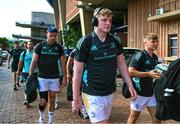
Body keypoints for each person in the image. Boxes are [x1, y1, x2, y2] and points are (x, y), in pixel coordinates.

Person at [72, 8, 137, 123]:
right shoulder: (85, 42)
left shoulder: (115, 41)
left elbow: (121, 63)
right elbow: (77, 72)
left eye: (110, 20)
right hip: (91, 93)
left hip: (109, 92)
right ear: (95, 22)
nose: (108, 23)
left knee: (105, 120)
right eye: (104, 20)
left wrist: (130, 84)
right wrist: (75, 98)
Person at [29, 27, 67, 124]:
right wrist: (30, 76)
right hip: (42, 78)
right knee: (43, 100)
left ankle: (50, 121)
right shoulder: (40, 46)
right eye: (51, 35)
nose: (53, 38)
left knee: (52, 99)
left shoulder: (59, 48)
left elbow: (63, 64)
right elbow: (34, 61)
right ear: (47, 35)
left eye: (55, 36)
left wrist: (65, 78)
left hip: (54, 78)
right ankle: (41, 118)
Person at [127, 33, 161, 123]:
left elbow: (153, 72)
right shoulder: (140, 55)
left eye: (156, 41)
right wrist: (148, 74)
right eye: (153, 41)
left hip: (150, 93)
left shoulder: (155, 57)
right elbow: (130, 71)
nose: (156, 43)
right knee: (133, 117)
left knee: (157, 118)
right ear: (145, 42)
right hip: (139, 93)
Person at [17, 41, 37, 107]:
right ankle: (27, 100)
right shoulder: (24, 53)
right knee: (26, 86)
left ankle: (32, 98)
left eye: (32, 44)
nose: (30, 45)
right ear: (27, 45)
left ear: (33, 45)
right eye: (29, 44)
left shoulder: (36, 53)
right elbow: (20, 63)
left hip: (35, 72)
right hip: (25, 72)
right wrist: (18, 71)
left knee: (34, 87)